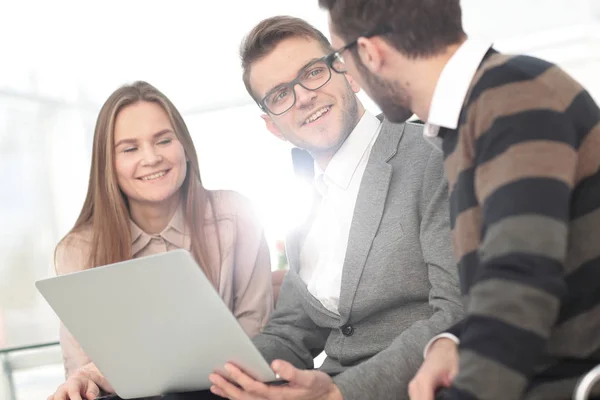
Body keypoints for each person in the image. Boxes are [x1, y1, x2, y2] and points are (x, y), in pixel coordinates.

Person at [318, 0, 600, 399]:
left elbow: (519, 284)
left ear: (370, 53)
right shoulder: (476, 113)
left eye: (340, 58)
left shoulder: (514, 99)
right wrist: (450, 342)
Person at [208, 16, 464, 400]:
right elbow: (291, 333)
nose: (304, 97)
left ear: (348, 72)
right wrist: (219, 372)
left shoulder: (431, 157)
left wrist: (343, 392)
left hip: (416, 387)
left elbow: (454, 314)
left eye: (312, 73)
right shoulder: (304, 202)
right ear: (273, 126)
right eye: (280, 95)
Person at [47, 81, 273, 400]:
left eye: (163, 140)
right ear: (107, 165)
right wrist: (82, 381)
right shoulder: (78, 250)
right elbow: (82, 367)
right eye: (129, 148)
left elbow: (256, 338)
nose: (151, 158)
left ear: (184, 147)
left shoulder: (235, 215)